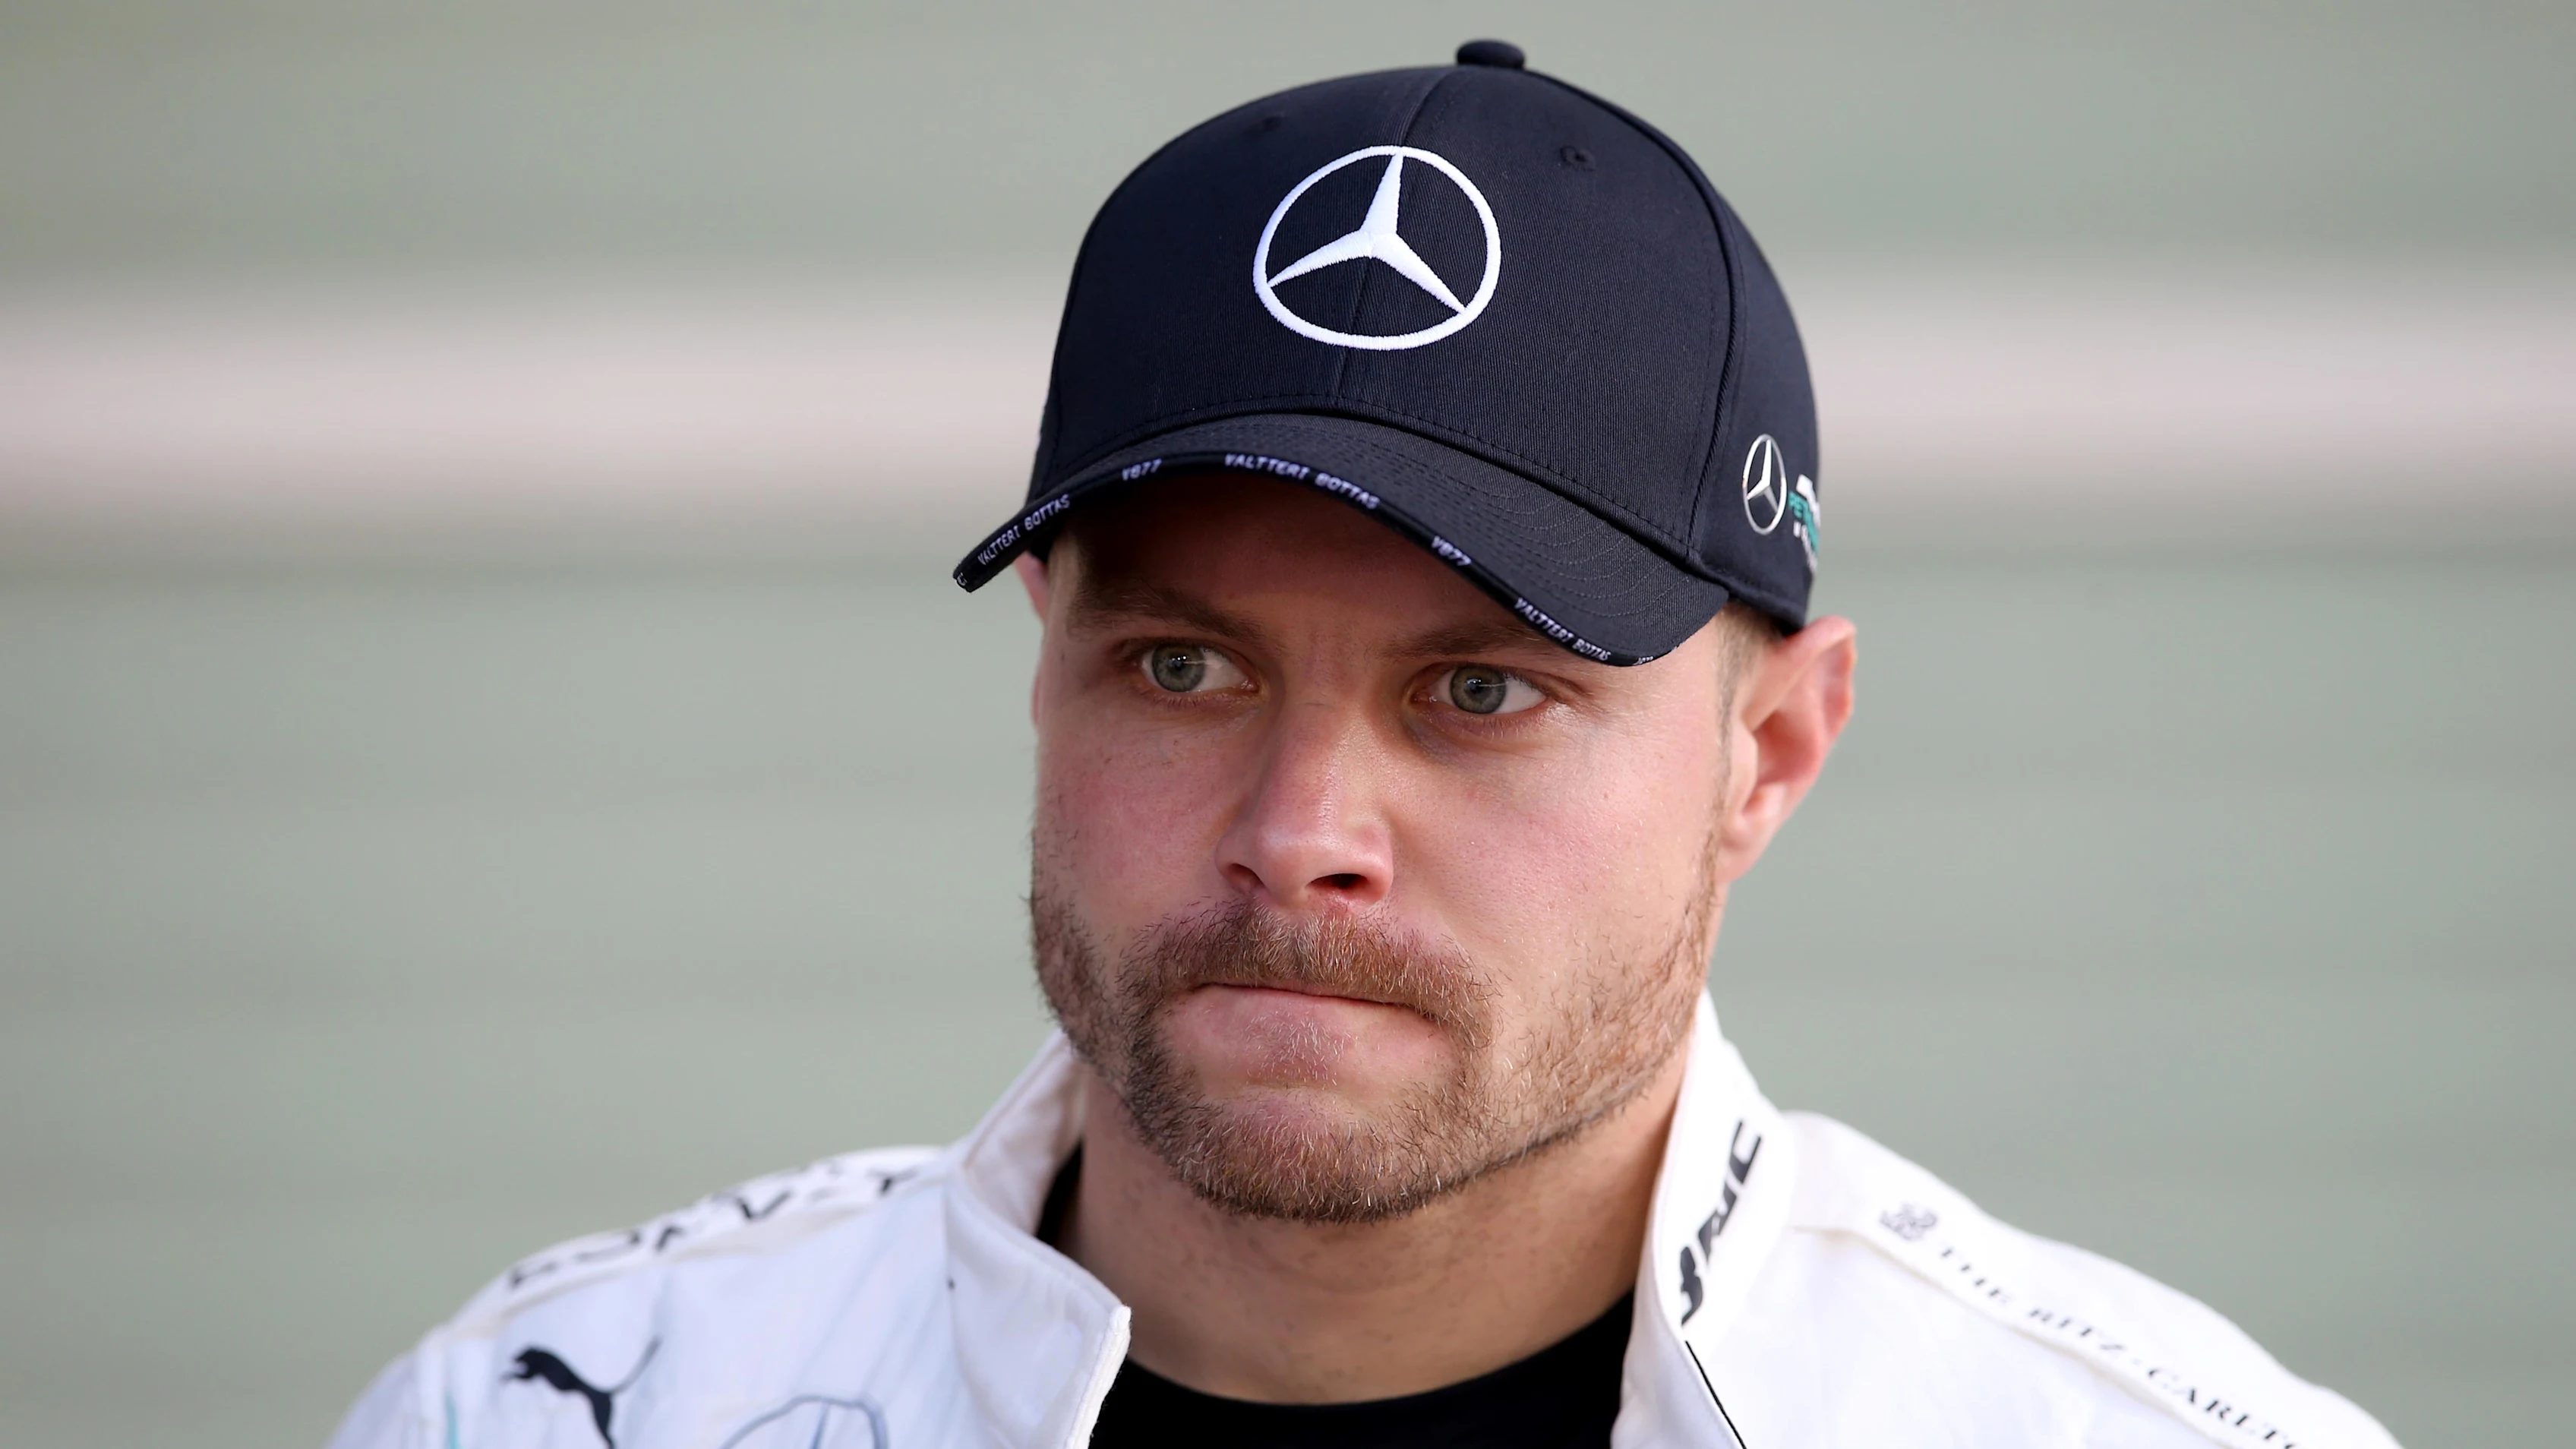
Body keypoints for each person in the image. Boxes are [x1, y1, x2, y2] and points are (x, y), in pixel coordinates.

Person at [329, 41, 2400, 1449]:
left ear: (1768, 749)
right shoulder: (564, 1404)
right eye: (1185, 670)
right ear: (1045, 661)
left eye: (1481, 689)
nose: (1300, 831)